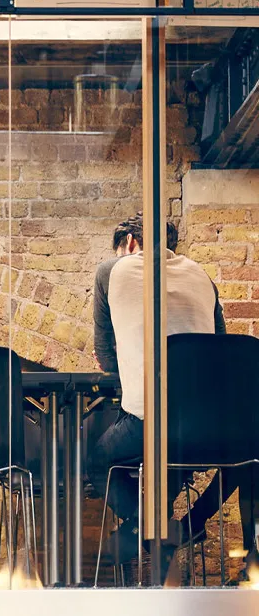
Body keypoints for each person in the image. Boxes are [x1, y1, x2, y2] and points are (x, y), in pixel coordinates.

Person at [89, 212, 227, 577]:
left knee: (99, 460)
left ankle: (142, 528)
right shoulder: (204, 277)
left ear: (131, 244)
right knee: (186, 461)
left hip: (150, 420)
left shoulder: (108, 271)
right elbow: (220, 349)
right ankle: (184, 527)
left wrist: (134, 371)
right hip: (207, 424)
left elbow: (105, 354)